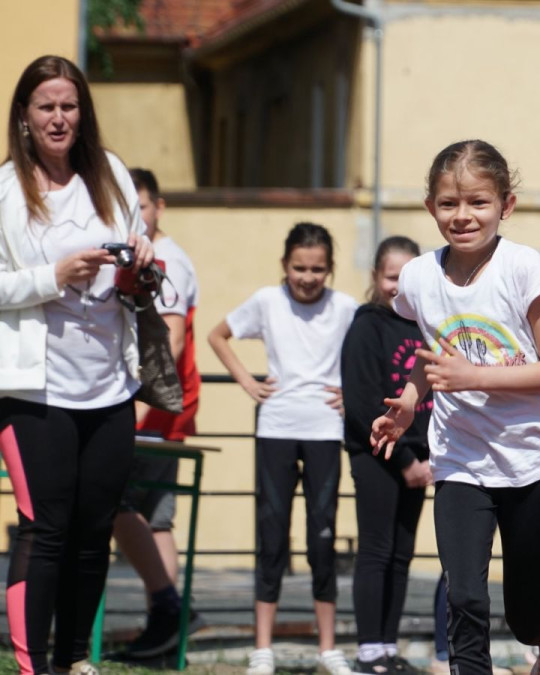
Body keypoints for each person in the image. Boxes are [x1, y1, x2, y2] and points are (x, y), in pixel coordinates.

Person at [369, 139, 540, 675]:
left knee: (527, 615)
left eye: (478, 203)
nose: (462, 216)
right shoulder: (419, 277)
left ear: (505, 206)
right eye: (448, 204)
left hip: (530, 457)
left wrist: (474, 376)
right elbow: (434, 354)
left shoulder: (521, 268)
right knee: (465, 598)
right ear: (430, 208)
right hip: (461, 457)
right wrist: (408, 402)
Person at [0, 54, 156, 675]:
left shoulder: (111, 175)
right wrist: (51, 277)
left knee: (94, 534)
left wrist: (141, 266)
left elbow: (134, 278)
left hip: (109, 384)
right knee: (45, 530)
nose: (59, 118)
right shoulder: (6, 188)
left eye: (69, 106)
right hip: (34, 389)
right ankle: (33, 665)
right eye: (47, 107)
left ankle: (73, 661)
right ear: (25, 116)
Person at [208, 222, 357, 675]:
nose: (307, 277)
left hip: (325, 430)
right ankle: (263, 649)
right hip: (276, 426)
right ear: (284, 265)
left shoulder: (347, 307)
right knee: (271, 536)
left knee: (323, 539)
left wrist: (353, 393)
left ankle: (328, 648)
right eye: (298, 268)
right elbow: (218, 335)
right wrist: (246, 381)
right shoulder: (267, 302)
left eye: (317, 269)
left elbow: (370, 355)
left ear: (329, 268)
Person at [110, 167, 204, 660]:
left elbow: (172, 337)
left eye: (141, 208)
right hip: (162, 410)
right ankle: (167, 624)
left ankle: (168, 608)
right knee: (156, 518)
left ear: (158, 207)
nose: (136, 218)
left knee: (116, 504)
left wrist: (136, 401)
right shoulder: (148, 252)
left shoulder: (168, 260)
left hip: (157, 411)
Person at [340, 236, 433, 674]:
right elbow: (361, 405)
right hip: (378, 456)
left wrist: (429, 458)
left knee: (402, 553)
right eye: (390, 276)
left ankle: (388, 648)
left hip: (419, 460)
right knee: (377, 550)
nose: (398, 286)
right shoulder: (367, 324)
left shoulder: (427, 326)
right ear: (377, 278)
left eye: (406, 278)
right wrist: (406, 462)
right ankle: (368, 651)